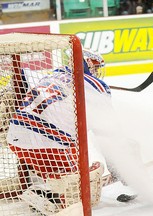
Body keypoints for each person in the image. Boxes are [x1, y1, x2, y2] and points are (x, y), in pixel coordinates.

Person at [2, 49, 110, 213]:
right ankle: (45, 196)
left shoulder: (54, 74)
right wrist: (118, 165)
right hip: (51, 144)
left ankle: (41, 185)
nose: (97, 72)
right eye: (95, 68)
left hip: (16, 138)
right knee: (81, 186)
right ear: (87, 66)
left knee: (59, 168)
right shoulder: (97, 87)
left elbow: (23, 76)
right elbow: (108, 134)